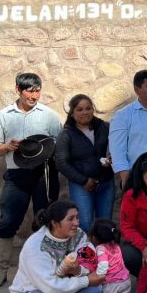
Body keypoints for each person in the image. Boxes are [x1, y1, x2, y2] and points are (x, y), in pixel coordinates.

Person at [0, 72, 63, 289]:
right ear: (18, 90)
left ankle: (46, 269)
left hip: (45, 174)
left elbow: (59, 143)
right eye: (29, 90)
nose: (34, 95)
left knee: (46, 221)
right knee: (8, 221)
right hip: (16, 174)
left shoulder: (49, 115)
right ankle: (0, 271)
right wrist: (7, 147)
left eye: (37, 90)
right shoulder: (3, 115)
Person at [8, 201, 104, 293]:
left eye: (77, 217)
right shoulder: (35, 246)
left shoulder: (78, 235)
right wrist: (85, 280)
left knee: (94, 289)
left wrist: (79, 271)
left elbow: (89, 259)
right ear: (54, 223)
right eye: (70, 219)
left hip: (60, 289)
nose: (76, 223)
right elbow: (50, 286)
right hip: (31, 292)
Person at [54, 93, 114, 233]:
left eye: (88, 108)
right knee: (84, 225)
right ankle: (86, 254)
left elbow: (116, 147)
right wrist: (84, 181)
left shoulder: (104, 127)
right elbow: (61, 163)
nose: (85, 112)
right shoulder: (66, 134)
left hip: (106, 182)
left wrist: (112, 158)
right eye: (80, 109)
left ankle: (104, 254)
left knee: (105, 225)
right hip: (81, 186)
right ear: (72, 113)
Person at [76, 219, 132, 293]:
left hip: (111, 283)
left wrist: (98, 276)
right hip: (125, 280)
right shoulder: (116, 245)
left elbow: (103, 265)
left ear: (95, 238)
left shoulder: (100, 249)